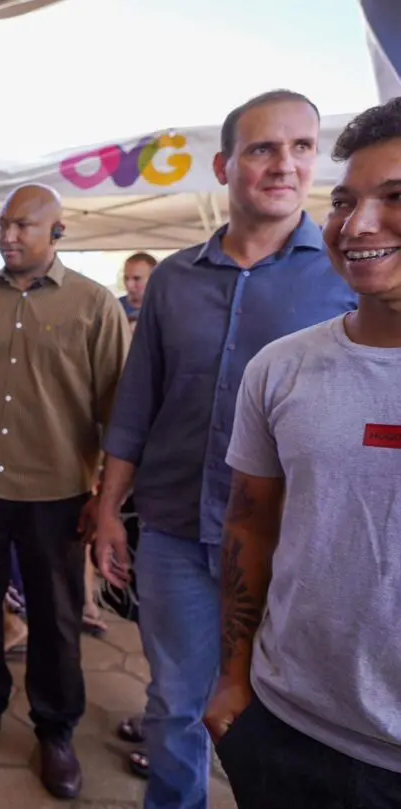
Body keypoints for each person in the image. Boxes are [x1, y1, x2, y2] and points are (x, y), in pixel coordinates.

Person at [90, 90, 357, 809]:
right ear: (224, 164)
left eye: (301, 147)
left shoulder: (347, 276)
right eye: (262, 148)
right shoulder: (174, 279)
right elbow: (136, 402)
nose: (284, 164)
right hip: (174, 530)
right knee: (176, 702)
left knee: (286, 711)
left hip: (294, 539)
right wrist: (108, 508)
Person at [205, 99, 401, 808]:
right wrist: (232, 678)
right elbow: (250, 523)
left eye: (393, 197)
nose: (358, 224)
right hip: (287, 732)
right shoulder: (281, 369)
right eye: (345, 200)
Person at [0, 183, 129, 798]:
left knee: (56, 616)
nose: (9, 236)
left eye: (24, 226)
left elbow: (119, 415)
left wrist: (105, 498)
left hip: (57, 492)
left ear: (57, 233)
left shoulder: (94, 306)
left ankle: (55, 730)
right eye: (4, 225)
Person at [119, 253, 157, 324]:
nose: (129, 285)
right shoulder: (115, 308)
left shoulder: (166, 310)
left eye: (137, 279)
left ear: (154, 279)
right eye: (126, 278)